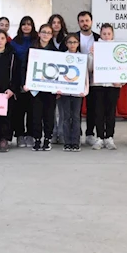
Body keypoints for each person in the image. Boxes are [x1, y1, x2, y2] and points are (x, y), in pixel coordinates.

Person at [90, 24, 122, 150]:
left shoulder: (118, 48)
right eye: (104, 34)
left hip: (113, 85)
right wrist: (91, 55)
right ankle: (99, 138)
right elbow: (90, 68)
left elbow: (123, 66)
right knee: (98, 112)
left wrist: (120, 82)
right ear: (100, 34)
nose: (107, 36)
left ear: (112, 34)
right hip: (98, 85)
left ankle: (109, 137)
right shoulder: (95, 47)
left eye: (109, 34)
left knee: (110, 112)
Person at [26, 24, 57, 151]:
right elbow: (25, 66)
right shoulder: (32, 49)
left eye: (49, 33)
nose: (46, 35)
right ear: (39, 33)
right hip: (35, 89)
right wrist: (26, 83)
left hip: (50, 89)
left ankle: (48, 139)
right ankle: (37, 139)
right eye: (43, 32)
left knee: (49, 115)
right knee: (36, 115)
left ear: (52, 35)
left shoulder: (55, 51)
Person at [57, 33, 89, 152]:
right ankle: (67, 142)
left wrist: (85, 91)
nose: (72, 44)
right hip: (64, 93)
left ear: (78, 44)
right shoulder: (62, 57)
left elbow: (85, 76)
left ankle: (75, 142)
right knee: (66, 117)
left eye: (74, 42)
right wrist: (57, 89)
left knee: (76, 117)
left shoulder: (81, 57)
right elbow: (59, 74)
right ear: (66, 44)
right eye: (70, 42)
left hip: (77, 93)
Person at [73, 11, 100, 145]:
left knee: (92, 107)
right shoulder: (72, 37)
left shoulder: (99, 38)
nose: (84, 23)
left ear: (91, 22)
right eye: (82, 21)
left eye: (87, 20)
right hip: (75, 78)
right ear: (78, 23)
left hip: (93, 79)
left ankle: (90, 133)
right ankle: (76, 133)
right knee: (76, 108)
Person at [11, 16, 37, 147]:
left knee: (32, 109)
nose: (26, 26)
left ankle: (31, 134)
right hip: (18, 78)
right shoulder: (15, 42)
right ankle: (20, 135)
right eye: (24, 24)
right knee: (19, 110)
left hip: (34, 79)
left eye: (29, 24)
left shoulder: (37, 40)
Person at [48, 13, 69, 145]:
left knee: (62, 109)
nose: (56, 24)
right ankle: (52, 132)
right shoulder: (45, 40)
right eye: (53, 22)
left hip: (63, 78)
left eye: (58, 22)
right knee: (50, 109)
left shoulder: (66, 40)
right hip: (49, 78)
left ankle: (61, 133)